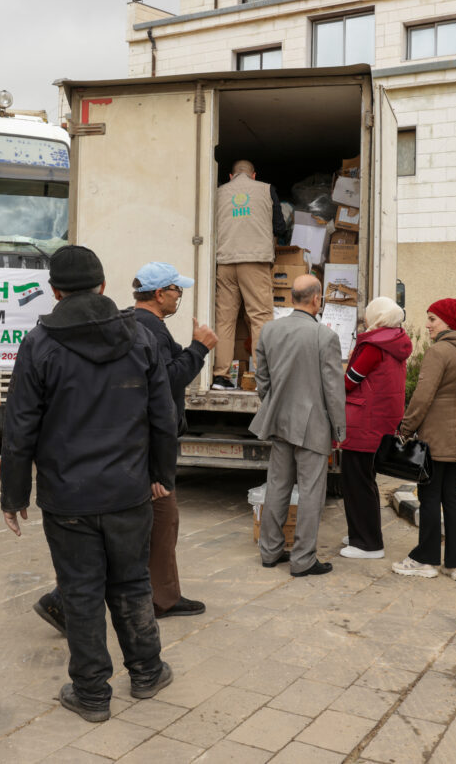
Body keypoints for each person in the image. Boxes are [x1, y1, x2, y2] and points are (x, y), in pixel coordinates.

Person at [0, 245, 177, 723]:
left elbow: (19, 429)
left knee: (79, 590)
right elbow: (164, 417)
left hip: (67, 496)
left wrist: (14, 496)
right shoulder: (140, 339)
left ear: (55, 291)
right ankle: (146, 671)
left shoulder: (39, 344)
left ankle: (92, 694)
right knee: (132, 581)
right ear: (103, 287)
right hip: (128, 490)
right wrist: (162, 475)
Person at [32, 261, 215, 632]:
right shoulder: (145, 329)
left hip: (131, 452)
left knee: (155, 527)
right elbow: (165, 385)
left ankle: (160, 597)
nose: (180, 296)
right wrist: (200, 348)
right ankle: (73, 603)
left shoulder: (143, 326)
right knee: (148, 529)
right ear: (160, 293)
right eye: (177, 290)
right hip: (143, 451)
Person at [250, 274, 346, 577]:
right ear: (317, 299)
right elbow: (333, 390)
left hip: (279, 421)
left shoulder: (269, 330)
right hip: (313, 425)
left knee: (277, 486)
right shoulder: (324, 336)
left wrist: (274, 403)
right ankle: (303, 559)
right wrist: (339, 430)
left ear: (293, 297)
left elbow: (261, 379)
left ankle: (270, 551)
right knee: (311, 493)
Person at [392, 298, 456, 581]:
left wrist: (405, 430)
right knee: (453, 498)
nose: (427, 325)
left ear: (449, 322)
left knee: (430, 496)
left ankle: (426, 560)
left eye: (433, 319)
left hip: (434, 438)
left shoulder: (439, 352)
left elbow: (422, 398)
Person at [336, 297, 412, 560]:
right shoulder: (395, 342)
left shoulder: (374, 345)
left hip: (363, 422)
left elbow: (350, 381)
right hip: (379, 422)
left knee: (356, 483)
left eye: (368, 314)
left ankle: (368, 543)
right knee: (364, 481)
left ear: (377, 317)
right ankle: (361, 533)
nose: (365, 319)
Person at [212, 159, 288, 389]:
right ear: (254, 175)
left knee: (224, 319)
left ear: (230, 176)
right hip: (255, 261)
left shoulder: (217, 193)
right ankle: (263, 377)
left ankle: (220, 376)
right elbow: (280, 227)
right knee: (260, 317)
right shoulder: (266, 189)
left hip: (224, 261)